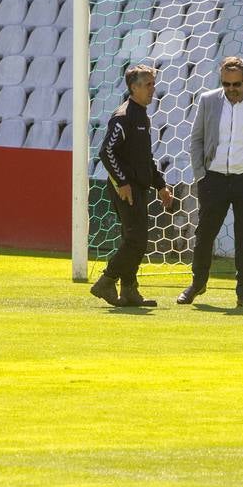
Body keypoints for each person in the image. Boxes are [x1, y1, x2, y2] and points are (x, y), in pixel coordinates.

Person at [177, 56, 243, 309]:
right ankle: (197, 282)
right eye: (226, 84)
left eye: (235, 84)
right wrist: (200, 173)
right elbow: (197, 139)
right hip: (213, 178)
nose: (231, 90)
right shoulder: (208, 100)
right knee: (204, 234)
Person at [92, 64, 174, 308]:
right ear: (133, 87)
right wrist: (122, 182)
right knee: (136, 240)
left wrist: (160, 185)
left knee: (133, 238)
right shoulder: (124, 116)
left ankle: (129, 291)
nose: (153, 89)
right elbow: (106, 151)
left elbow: (144, 158)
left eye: (153, 84)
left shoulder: (141, 115)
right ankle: (107, 281)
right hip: (125, 189)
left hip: (138, 187)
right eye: (148, 84)